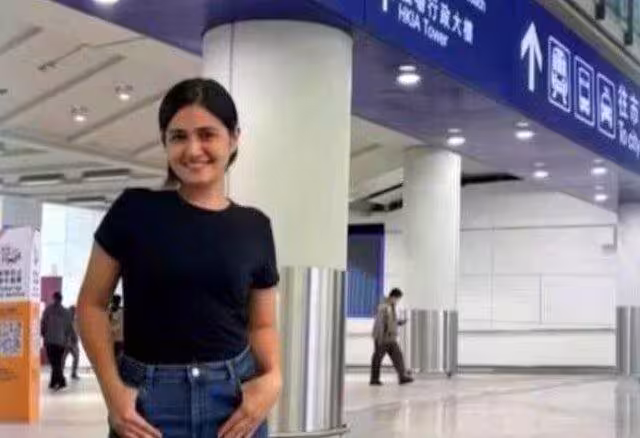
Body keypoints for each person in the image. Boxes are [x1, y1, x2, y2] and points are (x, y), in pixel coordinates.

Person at [77, 78, 282, 438]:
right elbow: (91, 305)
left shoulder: (255, 226)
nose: (193, 149)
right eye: (178, 137)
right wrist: (113, 393)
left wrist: (273, 379)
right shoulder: (134, 211)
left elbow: (262, 325)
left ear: (234, 138)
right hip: (147, 406)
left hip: (234, 402)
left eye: (207, 135)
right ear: (165, 142)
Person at [370, 288, 414, 386]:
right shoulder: (383, 306)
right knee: (377, 358)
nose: (398, 301)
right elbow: (379, 323)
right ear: (393, 297)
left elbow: (390, 321)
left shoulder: (390, 306)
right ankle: (374, 379)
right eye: (398, 299)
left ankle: (402, 377)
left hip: (390, 337)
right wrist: (380, 338)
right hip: (383, 338)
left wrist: (399, 322)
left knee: (398, 356)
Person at [41, 292, 73, 390]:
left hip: (50, 341)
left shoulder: (48, 310)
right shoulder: (66, 312)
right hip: (61, 342)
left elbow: (43, 324)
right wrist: (67, 340)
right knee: (57, 362)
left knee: (54, 362)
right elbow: (69, 328)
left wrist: (43, 334)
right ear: (61, 299)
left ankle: (61, 381)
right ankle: (53, 382)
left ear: (54, 298)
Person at [64, 305, 80, 380]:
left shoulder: (76, 320)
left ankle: (73, 373)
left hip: (74, 343)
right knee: (62, 359)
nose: (73, 313)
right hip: (66, 342)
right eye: (72, 311)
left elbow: (78, 330)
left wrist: (77, 336)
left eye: (74, 311)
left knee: (76, 357)